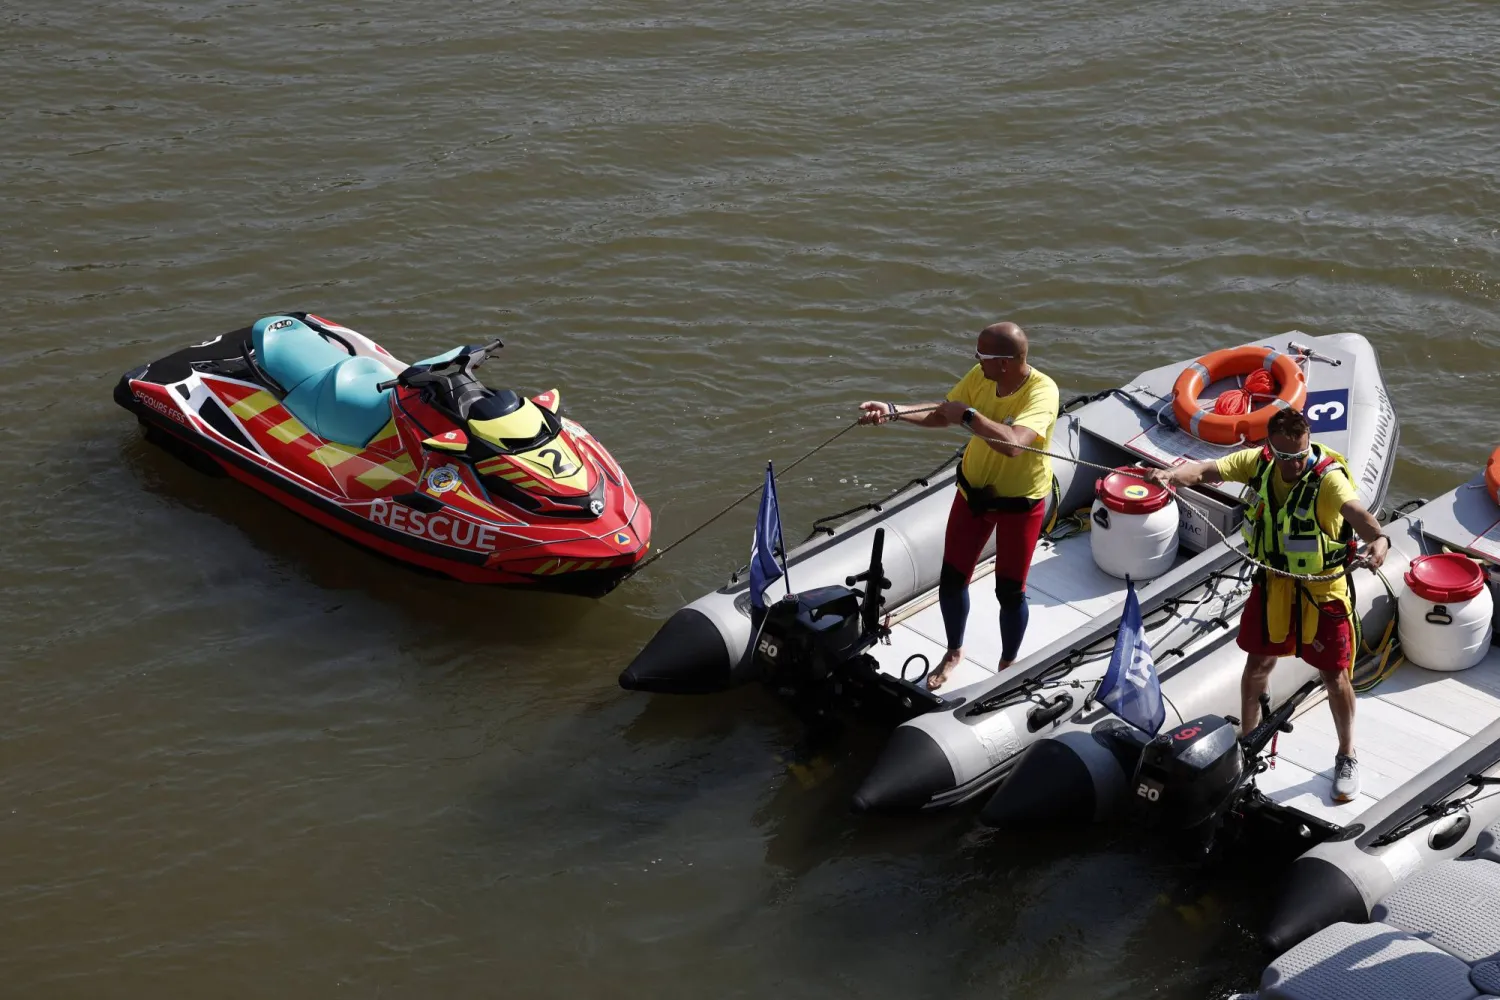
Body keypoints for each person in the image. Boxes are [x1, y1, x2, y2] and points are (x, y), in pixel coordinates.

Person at [1143, 407, 1389, 802]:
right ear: (1270, 450)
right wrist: (1172, 476)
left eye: (1301, 456)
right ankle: (1246, 740)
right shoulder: (1256, 464)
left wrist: (1379, 539)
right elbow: (1207, 471)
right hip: (1273, 584)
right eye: (1286, 457)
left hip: (1322, 592)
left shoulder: (1328, 480)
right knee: (1257, 665)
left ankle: (1347, 754)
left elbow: (1357, 514)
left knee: (1334, 676)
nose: (1295, 465)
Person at [858, 321, 1060, 692]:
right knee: (952, 580)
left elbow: (1015, 444)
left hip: (1021, 503)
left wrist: (969, 415)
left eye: (982, 355)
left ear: (1005, 362)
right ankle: (954, 652)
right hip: (973, 495)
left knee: (1009, 593)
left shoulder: (1042, 392)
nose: (975, 359)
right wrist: (893, 410)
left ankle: (1008, 664)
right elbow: (941, 413)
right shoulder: (980, 376)